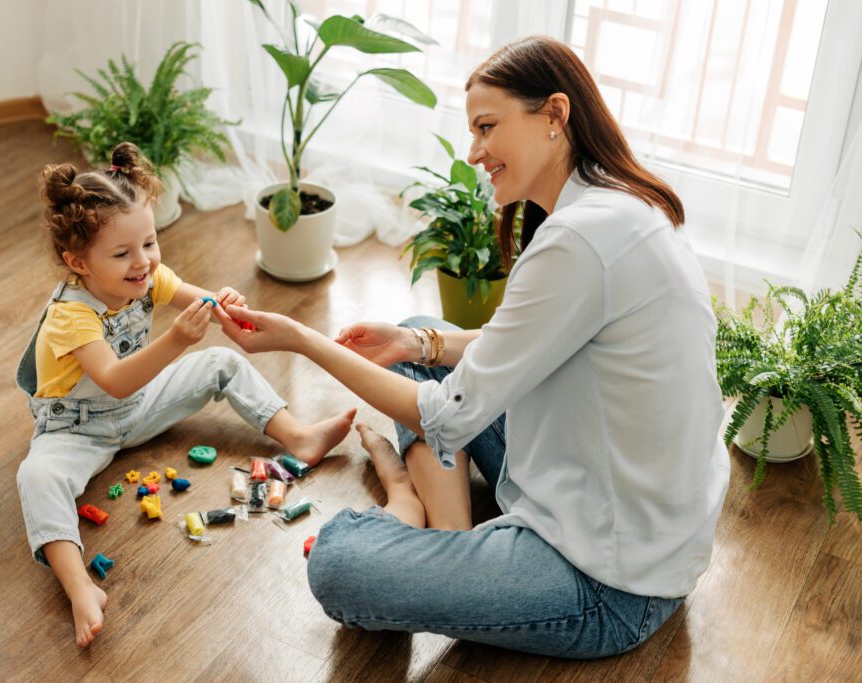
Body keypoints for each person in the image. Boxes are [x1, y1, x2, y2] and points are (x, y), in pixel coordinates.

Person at [213, 36, 730, 658]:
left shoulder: (578, 241)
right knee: (412, 337)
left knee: (339, 564)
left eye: (487, 127)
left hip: (609, 582)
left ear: (554, 116)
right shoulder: (619, 204)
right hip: (616, 499)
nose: (475, 152)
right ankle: (455, 534)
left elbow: (448, 415)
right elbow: (529, 342)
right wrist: (417, 341)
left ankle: (419, 507)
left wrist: (301, 340)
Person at [15, 142, 355, 648]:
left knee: (219, 362)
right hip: (76, 429)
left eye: (150, 243)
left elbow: (201, 301)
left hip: (139, 406)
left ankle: (298, 437)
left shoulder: (148, 276)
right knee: (36, 476)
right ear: (77, 261)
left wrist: (225, 305)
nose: (143, 262)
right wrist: (176, 338)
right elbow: (114, 380)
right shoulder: (71, 315)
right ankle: (79, 585)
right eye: (123, 253)